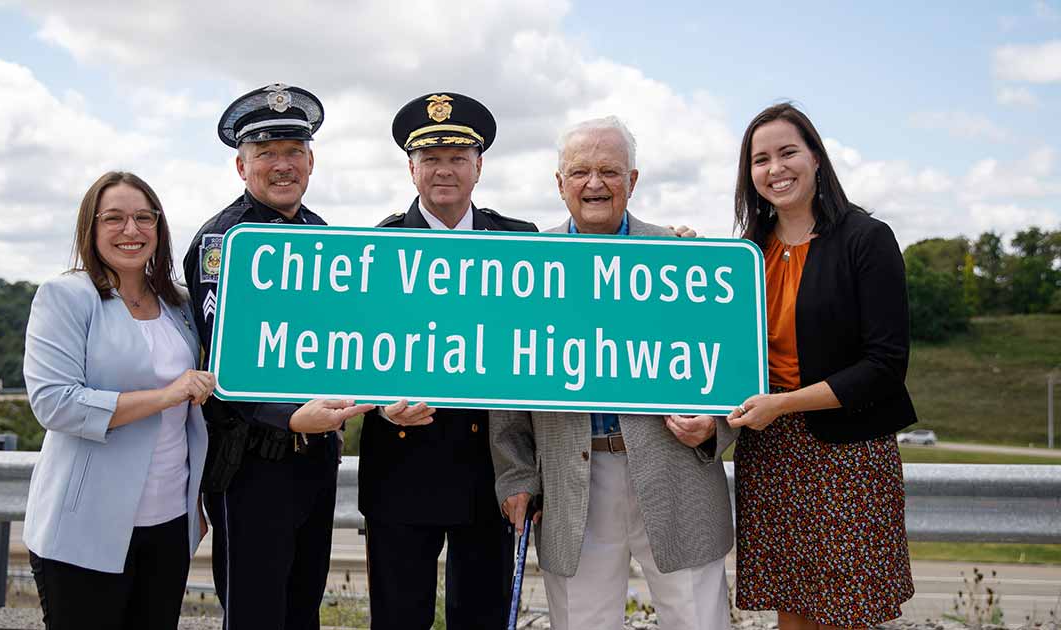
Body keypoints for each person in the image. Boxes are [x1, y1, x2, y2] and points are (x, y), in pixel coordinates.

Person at [489, 116, 734, 630]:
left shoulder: (683, 257)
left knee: (697, 621)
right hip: (572, 483)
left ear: (633, 180)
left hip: (676, 479)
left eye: (609, 170)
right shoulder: (527, 266)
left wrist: (715, 425)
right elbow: (507, 390)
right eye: (580, 171)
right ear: (560, 184)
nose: (594, 184)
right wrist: (515, 473)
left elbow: (731, 368)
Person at [182, 83, 373, 630]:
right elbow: (224, 358)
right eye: (265, 153)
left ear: (311, 161)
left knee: (302, 608)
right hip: (251, 462)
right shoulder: (223, 241)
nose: (282, 165)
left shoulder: (323, 236)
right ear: (241, 168)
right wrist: (287, 416)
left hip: (313, 458)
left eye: (293, 152)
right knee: (255, 612)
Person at [727, 102, 916, 629]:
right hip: (771, 454)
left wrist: (784, 403)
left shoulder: (866, 239)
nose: (775, 168)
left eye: (788, 152)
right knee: (793, 612)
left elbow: (885, 365)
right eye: (760, 160)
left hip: (847, 454)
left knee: (845, 614)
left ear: (815, 157)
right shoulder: (745, 253)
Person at [358, 91, 537, 630]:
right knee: (398, 618)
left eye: (457, 158)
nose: (444, 170)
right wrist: (381, 407)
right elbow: (349, 355)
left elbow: (546, 346)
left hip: (490, 470)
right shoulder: (374, 248)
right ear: (411, 168)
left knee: (480, 618)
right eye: (430, 158)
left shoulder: (520, 241)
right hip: (401, 468)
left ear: (478, 166)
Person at [22, 171, 214, 630]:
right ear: (91, 228)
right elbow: (55, 403)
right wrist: (164, 395)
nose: (131, 231)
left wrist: (197, 502)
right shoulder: (65, 296)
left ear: (159, 228)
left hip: (170, 521)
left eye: (144, 218)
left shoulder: (179, 302)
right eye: (114, 219)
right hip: (85, 526)